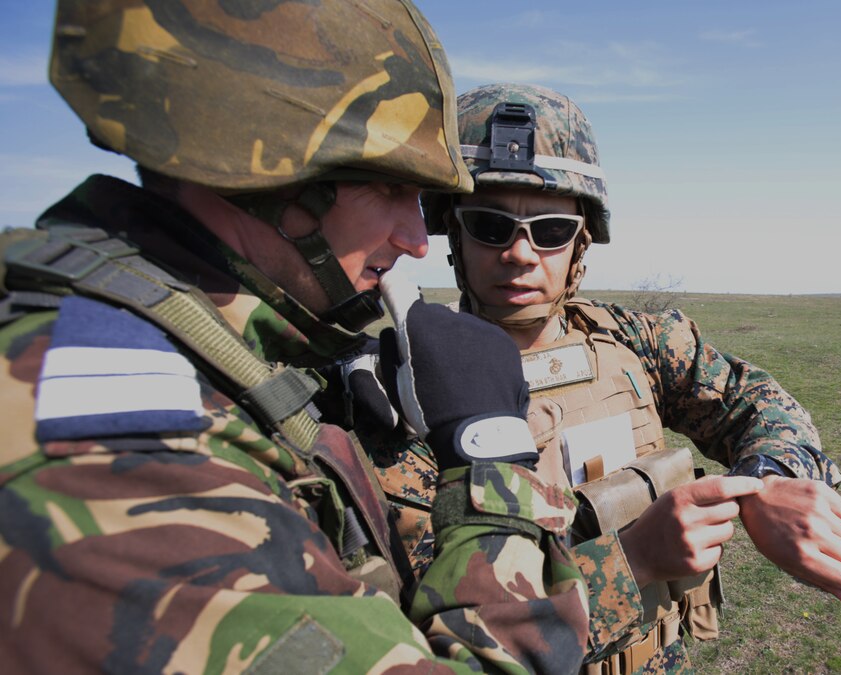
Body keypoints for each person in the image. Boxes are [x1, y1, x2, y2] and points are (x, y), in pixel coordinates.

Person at [0, 6, 594, 673]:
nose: (416, 239)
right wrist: (490, 455)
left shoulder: (204, 353)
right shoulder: (117, 460)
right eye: (390, 188)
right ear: (260, 172)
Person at [421, 83, 841, 673]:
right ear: (454, 233)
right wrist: (634, 560)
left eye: (550, 231)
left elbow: (759, 404)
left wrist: (764, 483)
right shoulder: (409, 388)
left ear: (581, 242)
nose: (521, 253)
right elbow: (431, 636)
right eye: (489, 225)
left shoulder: (637, 342)